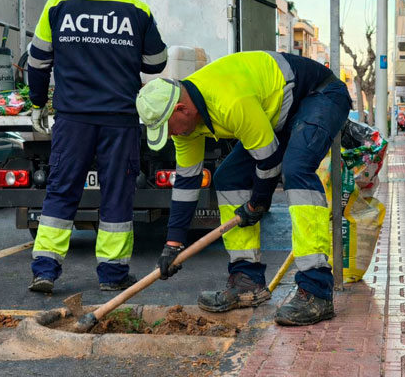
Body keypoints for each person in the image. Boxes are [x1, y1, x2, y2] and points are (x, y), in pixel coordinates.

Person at [135, 51, 351, 326]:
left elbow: (270, 162)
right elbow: (187, 184)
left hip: (319, 95)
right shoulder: (187, 126)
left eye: (168, 128)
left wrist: (257, 202)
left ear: (181, 110)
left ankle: (316, 290)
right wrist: (172, 245)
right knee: (228, 178)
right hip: (277, 115)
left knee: (296, 169)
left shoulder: (229, 101)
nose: (171, 135)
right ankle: (246, 280)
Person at [26, 0, 167, 293]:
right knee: (116, 193)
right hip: (119, 119)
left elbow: (37, 62)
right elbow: (156, 63)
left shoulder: (58, 3)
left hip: (73, 119)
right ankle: (112, 274)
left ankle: (45, 270)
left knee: (61, 190)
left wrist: (37, 102)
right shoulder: (136, 8)